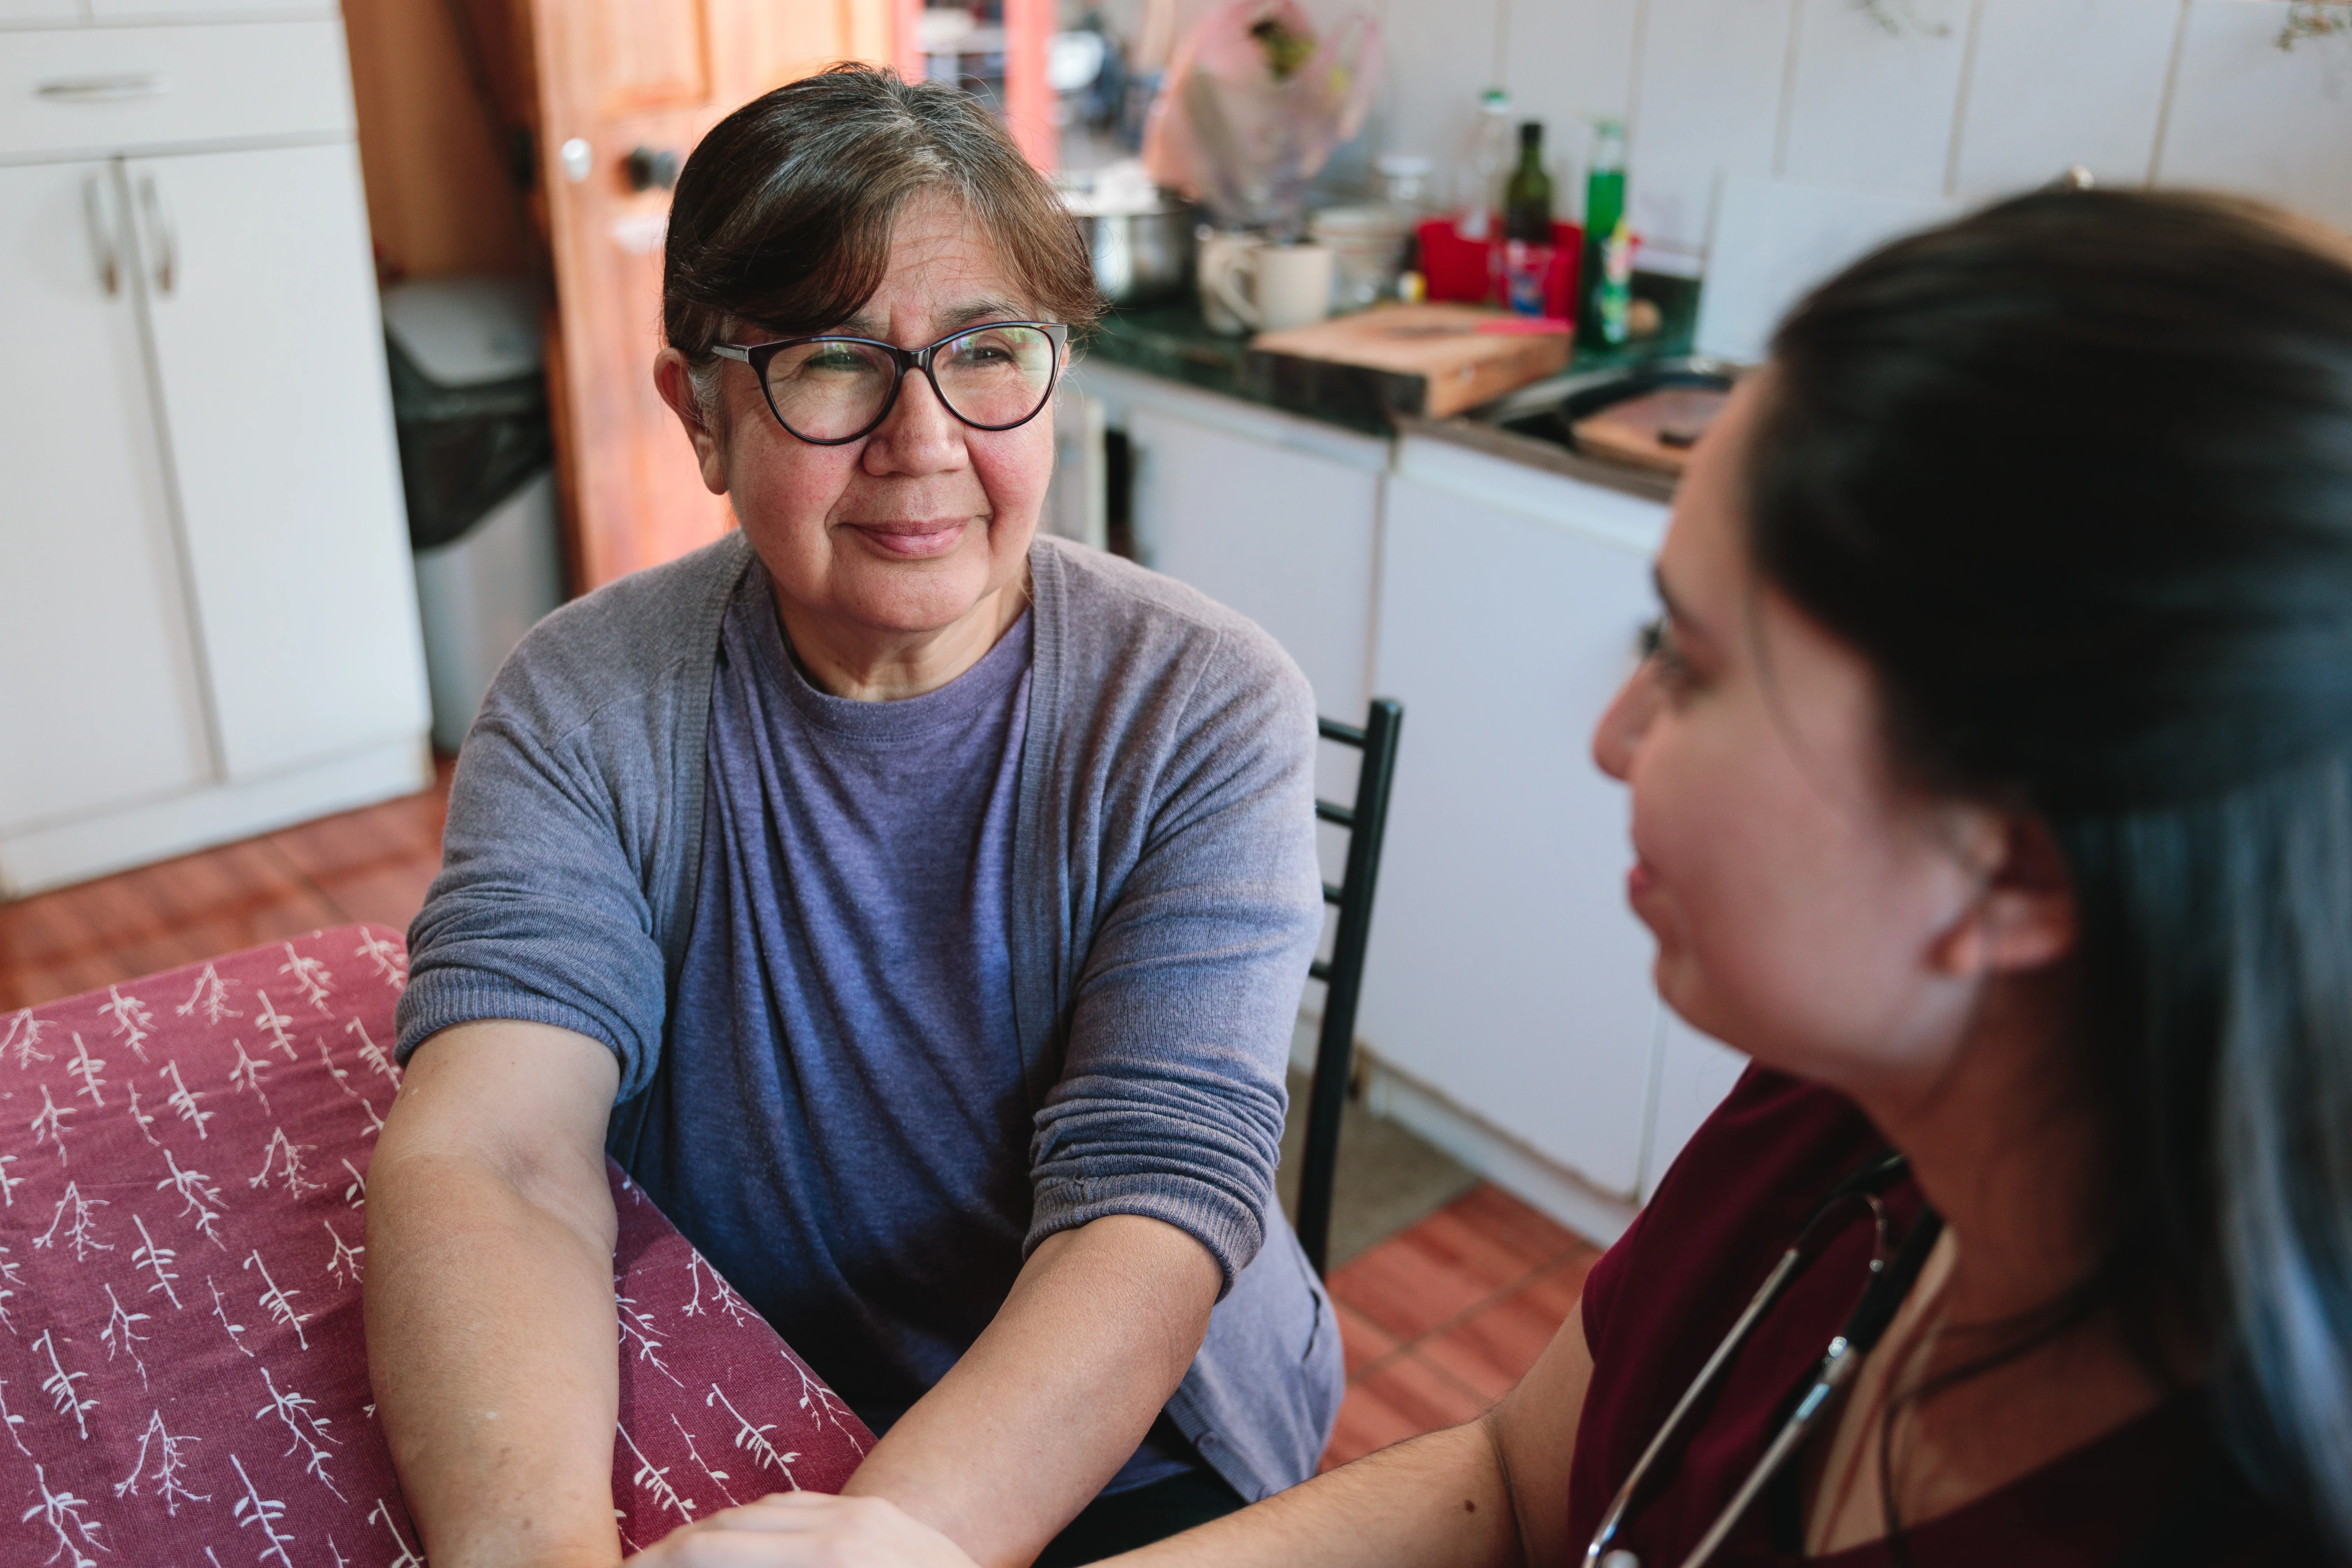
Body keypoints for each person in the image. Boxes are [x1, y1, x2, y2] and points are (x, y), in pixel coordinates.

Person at [667, 190, 2352, 1564]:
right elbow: (1518, 1486)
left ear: (2020, 856)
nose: (1616, 737)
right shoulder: (1835, 1127)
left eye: (1688, 665)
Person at [365, 65, 1343, 1568]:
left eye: (991, 352)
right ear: (700, 414)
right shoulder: (584, 702)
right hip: (746, 1370)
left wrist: (881, 1544)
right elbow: (497, 1151)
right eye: (831, 360)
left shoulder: (1201, 709)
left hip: (1132, 1442)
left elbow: (1145, 1203)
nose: (925, 438)